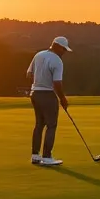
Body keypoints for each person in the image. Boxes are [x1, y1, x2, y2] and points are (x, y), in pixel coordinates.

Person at [27, 36, 72, 167]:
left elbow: (29, 74)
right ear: (57, 46)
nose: (64, 52)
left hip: (34, 93)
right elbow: (57, 83)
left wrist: (38, 83)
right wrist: (63, 99)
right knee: (51, 125)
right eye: (63, 49)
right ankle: (47, 157)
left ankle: (35, 156)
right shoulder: (57, 61)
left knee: (39, 124)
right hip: (47, 94)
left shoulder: (39, 55)